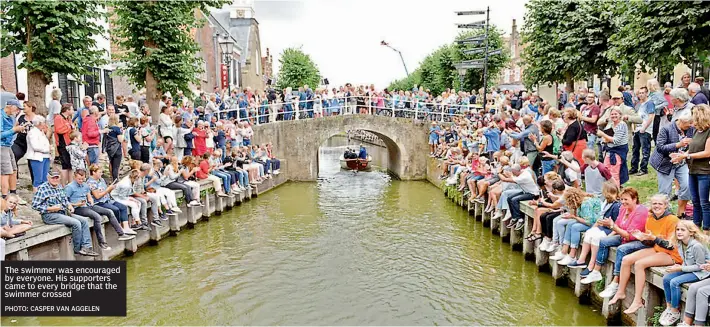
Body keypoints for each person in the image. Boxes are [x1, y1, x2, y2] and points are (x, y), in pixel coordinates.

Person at [607, 194, 680, 315]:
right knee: (626, 259)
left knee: (640, 264)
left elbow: (671, 245)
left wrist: (653, 238)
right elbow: (650, 240)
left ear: (666, 206)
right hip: (657, 248)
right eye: (654, 203)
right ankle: (620, 291)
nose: (656, 206)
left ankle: (637, 300)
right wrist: (642, 238)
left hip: (671, 254)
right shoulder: (650, 218)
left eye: (660, 204)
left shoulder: (672, 220)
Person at [582, 188, 649, 285]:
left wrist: (612, 226)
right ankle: (596, 271)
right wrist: (610, 230)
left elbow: (629, 236)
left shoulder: (641, 211)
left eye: (626, 199)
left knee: (621, 249)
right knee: (603, 241)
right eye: (622, 199)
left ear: (634, 199)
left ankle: (615, 281)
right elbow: (617, 224)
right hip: (623, 236)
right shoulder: (623, 208)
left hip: (639, 240)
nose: (623, 202)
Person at [32, 170, 98, 256]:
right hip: (49, 215)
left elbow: (65, 200)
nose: (55, 179)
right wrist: (50, 208)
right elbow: (34, 205)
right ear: (48, 178)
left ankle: (86, 247)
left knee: (84, 221)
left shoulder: (59, 187)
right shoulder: (42, 188)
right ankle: (77, 250)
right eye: (53, 178)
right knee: (76, 223)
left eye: (57, 177)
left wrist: (69, 206)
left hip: (63, 212)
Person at [65, 169, 134, 250]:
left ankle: (121, 233)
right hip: (77, 208)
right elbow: (65, 201)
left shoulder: (85, 185)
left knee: (109, 212)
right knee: (97, 217)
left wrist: (90, 200)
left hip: (87, 205)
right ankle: (101, 242)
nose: (81, 181)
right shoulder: (69, 187)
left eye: (82, 179)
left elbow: (88, 195)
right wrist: (76, 204)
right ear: (74, 177)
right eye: (79, 179)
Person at [659, 220, 709, 326]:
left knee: (675, 282)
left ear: (691, 232)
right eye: (677, 230)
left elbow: (699, 266)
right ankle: (669, 307)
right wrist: (680, 267)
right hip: (688, 268)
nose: (679, 232)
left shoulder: (697, 246)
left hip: (701, 273)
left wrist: (680, 268)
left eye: (683, 230)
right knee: (667, 278)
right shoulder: (681, 243)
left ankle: (675, 311)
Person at [567, 181, 622, 274]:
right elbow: (600, 219)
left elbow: (617, 223)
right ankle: (581, 260)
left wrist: (610, 234)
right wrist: (593, 227)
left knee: (596, 238)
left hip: (610, 230)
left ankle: (591, 265)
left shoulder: (616, 206)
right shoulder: (606, 203)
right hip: (603, 227)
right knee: (589, 233)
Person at [651, 110, 693, 218]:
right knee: (665, 191)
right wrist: (678, 145)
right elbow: (660, 147)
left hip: (681, 163)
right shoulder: (666, 129)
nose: (691, 126)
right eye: (689, 124)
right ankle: (665, 215)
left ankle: (681, 212)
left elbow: (692, 145)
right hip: (665, 163)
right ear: (682, 122)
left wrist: (683, 155)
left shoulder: (690, 129)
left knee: (687, 185)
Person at [549, 188, 603, 266]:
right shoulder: (579, 202)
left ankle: (572, 255)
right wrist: (572, 216)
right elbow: (579, 216)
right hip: (588, 221)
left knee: (575, 227)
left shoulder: (586, 203)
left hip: (595, 224)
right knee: (570, 224)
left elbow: (589, 221)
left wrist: (574, 217)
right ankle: (564, 251)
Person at [87, 164, 137, 236]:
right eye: (100, 172)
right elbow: (97, 196)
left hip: (107, 200)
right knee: (115, 209)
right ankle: (119, 228)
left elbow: (106, 191)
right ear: (94, 172)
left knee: (123, 207)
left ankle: (126, 227)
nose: (101, 174)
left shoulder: (101, 179)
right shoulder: (91, 182)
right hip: (99, 202)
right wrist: (108, 189)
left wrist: (111, 188)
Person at [596, 108, 629, 186]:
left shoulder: (622, 125)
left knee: (614, 173)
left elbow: (616, 140)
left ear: (620, 115)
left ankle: (616, 193)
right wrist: (604, 139)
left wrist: (603, 135)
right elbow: (608, 137)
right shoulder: (610, 124)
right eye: (612, 114)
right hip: (609, 150)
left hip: (618, 152)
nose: (613, 116)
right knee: (605, 171)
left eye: (615, 114)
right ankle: (608, 191)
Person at [1, 100, 26, 200]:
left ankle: (13, 194)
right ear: (10, 106)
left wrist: (18, 130)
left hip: (8, 146)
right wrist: (14, 130)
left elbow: (10, 133)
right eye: (17, 108)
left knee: (14, 170)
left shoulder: (11, 118)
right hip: (1, 147)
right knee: (5, 172)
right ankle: (5, 197)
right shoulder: (1, 116)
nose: (18, 111)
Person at [629, 86, 654, 176]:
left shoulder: (649, 103)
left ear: (647, 93)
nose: (641, 94)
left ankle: (643, 168)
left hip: (645, 130)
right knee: (635, 149)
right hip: (637, 129)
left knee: (645, 150)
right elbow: (635, 116)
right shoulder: (638, 104)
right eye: (640, 93)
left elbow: (651, 116)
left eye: (643, 93)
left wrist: (644, 128)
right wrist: (633, 127)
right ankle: (634, 168)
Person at [54, 103, 75, 185]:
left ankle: (70, 184)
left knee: (70, 165)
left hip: (70, 143)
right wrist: (69, 127)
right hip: (63, 144)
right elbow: (59, 130)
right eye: (72, 109)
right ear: (67, 110)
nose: (73, 111)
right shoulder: (58, 118)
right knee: (65, 165)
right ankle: (63, 185)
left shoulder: (68, 118)